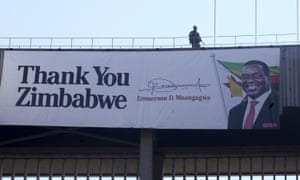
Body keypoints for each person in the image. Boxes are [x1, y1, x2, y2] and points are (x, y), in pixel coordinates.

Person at [228, 60, 279, 129]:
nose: (250, 80)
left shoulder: (280, 106)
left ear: (269, 79)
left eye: (257, 76)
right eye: (245, 77)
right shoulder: (234, 112)